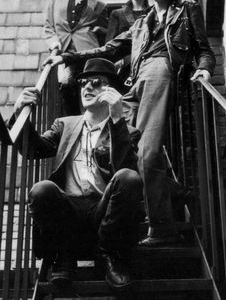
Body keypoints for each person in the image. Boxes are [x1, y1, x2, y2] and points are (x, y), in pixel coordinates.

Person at [44, 0, 216, 247]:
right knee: (120, 140)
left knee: (147, 150)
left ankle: (161, 226)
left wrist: (205, 69)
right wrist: (68, 57)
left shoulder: (187, 9)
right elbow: (109, 48)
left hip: (162, 71)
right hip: (136, 82)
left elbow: (204, 49)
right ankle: (172, 192)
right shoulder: (141, 23)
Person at [11, 58, 143, 290]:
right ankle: (64, 255)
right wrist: (19, 113)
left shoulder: (127, 131)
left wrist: (116, 118)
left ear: (112, 91)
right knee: (42, 189)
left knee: (128, 178)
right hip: (68, 212)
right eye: (83, 83)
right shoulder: (65, 124)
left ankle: (110, 256)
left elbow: (127, 172)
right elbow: (34, 150)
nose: (87, 87)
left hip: (104, 213)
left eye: (96, 82)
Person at [44, 0, 108, 115]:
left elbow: (106, 31)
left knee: (91, 90)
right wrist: (54, 43)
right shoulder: (55, 0)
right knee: (66, 86)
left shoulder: (99, 5)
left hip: (87, 53)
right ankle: (73, 123)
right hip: (63, 54)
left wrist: (100, 29)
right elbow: (48, 26)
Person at [106, 0, 149, 89]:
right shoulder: (117, 14)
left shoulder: (153, 13)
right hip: (123, 69)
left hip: (147, 66)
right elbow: (110, 45)